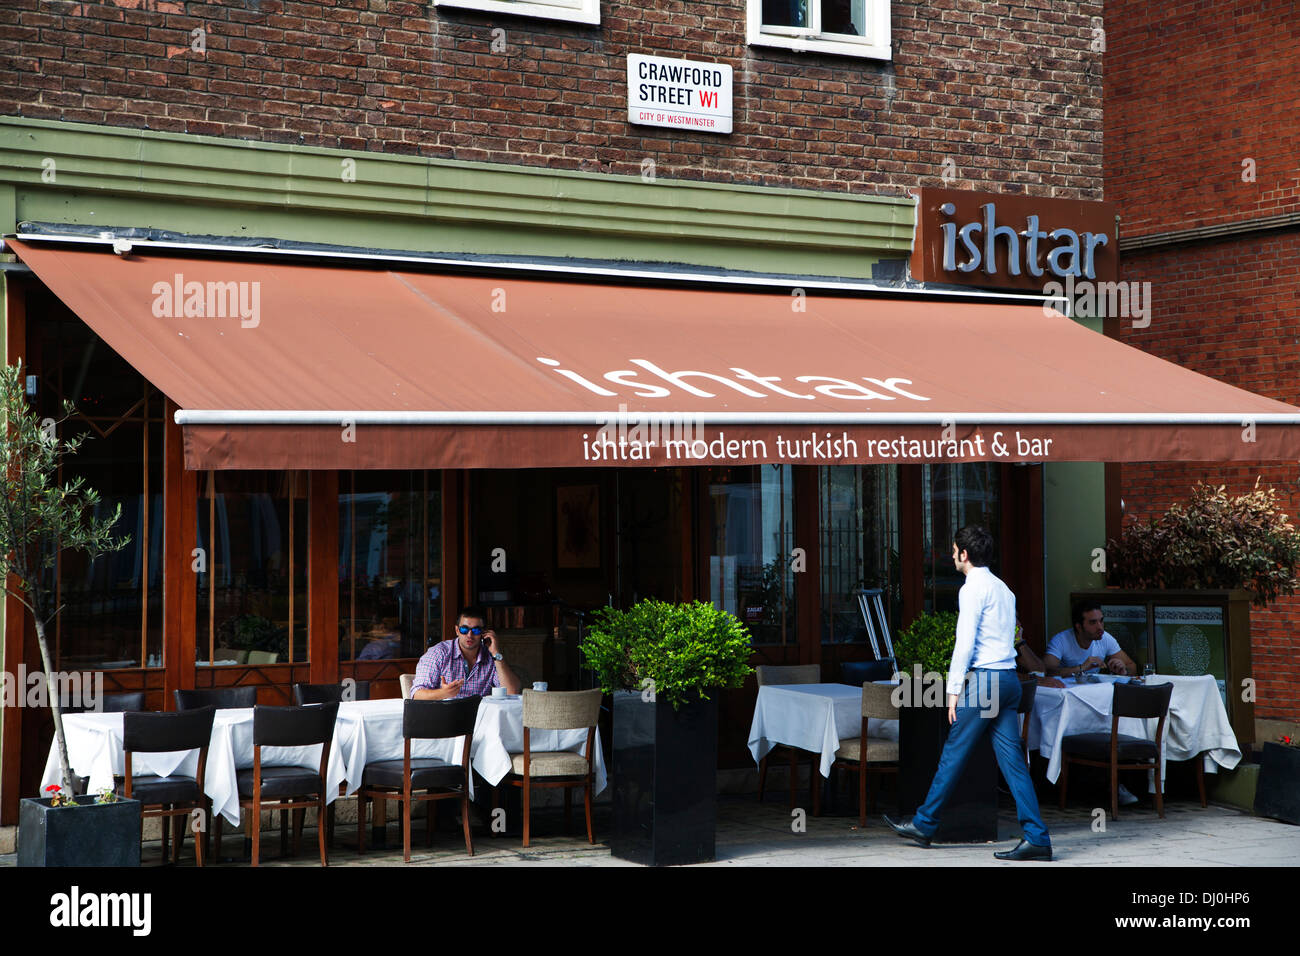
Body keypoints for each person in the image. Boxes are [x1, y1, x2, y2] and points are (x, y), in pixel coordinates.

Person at [884, 526, 1052, 861]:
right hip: (1008, 681)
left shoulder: (972, 588)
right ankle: (1037, 838)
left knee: (953, 752)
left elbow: (965, 643)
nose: (952, 556)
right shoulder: (1003, 589)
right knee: (1014, 765)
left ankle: (925, 822)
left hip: (987, 681)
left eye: (954, 550)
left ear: (965, 554)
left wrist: (953, 690)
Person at [411, 605, 522, 699]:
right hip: (444, 718)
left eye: (476, 630)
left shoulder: (490, 656)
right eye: (464, 629)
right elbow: (416, 694)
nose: (469, 635)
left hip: (480, 719)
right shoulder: (438, 653)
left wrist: (496, 653)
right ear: (457, 630)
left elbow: (512, 691)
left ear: (483, 632)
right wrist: (444, 693)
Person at [1044, 600, 1136, 677]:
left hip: (1093, 693)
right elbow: (1046, 671)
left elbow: (1132, 666)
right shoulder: (1061, 640)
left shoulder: (1105, 637)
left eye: (1101, 621)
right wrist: (1081, 668)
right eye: (1093, 622)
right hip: (1066, 693)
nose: (1100, 627)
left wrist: (1124, 671)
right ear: (1079, 626)